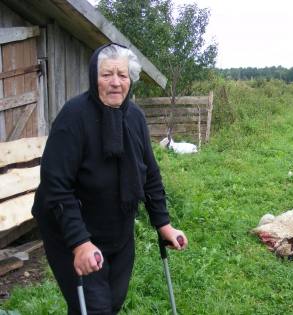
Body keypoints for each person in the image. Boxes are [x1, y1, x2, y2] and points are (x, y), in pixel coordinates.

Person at [32, 43, 188, 315]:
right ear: (94, 77)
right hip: (71, 229)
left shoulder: (135, 117)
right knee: (94, 308)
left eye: (122, 75)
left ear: (131, 80)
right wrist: (79, 243)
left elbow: (150, 174)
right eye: (107, 75)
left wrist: (163, 224)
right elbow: (56, 187)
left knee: (112, 303)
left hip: (118, 229)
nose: (115, 82)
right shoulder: (74, 117)